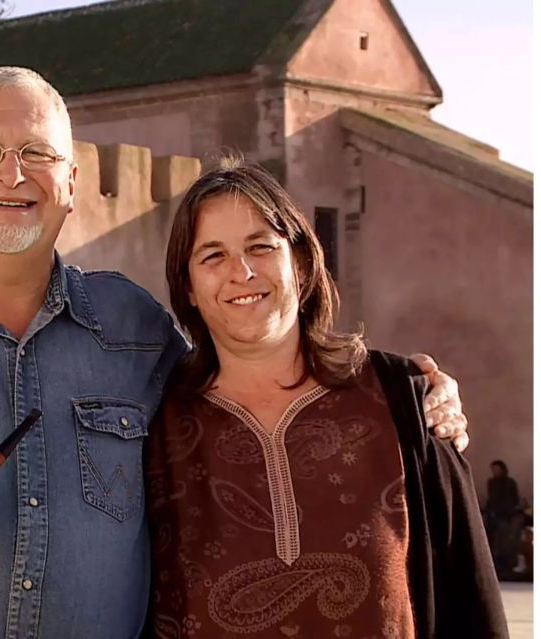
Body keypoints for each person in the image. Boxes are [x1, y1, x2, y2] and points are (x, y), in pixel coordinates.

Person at [0, 67, 467, 639]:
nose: (11, 174)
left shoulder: (135, 329)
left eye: (37, 154)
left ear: (71, 186)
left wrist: (415, 395)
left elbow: (243, 377)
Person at [144, 160, 507, 637]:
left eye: (261, 246)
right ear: (188, 287)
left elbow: (470, 595)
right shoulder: (154, 425)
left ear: (299, 262)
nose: (242, 271)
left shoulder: (402, 398)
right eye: (212, 256)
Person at [485, 460, 522, 577]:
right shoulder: (491, 483)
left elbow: (514, 499)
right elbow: (491, 499)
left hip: (506, 516)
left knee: (505, 541)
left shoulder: (509, 483)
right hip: (493, 516)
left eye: (497, 469)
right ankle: (495, 565)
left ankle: (506, 566)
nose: (495, 472)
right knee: (492, 540)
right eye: (493, 469)